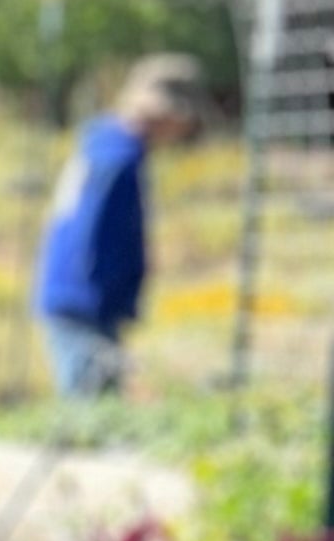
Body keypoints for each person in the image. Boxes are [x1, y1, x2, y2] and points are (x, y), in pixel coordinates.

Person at [33, 54, 210, 396]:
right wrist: (109, 292)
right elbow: (90, 234)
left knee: (93, 398)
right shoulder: (119, 158)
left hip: (75, 296)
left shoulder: (101, 141)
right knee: (91, 405)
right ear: (165, 116)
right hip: (85, 301)